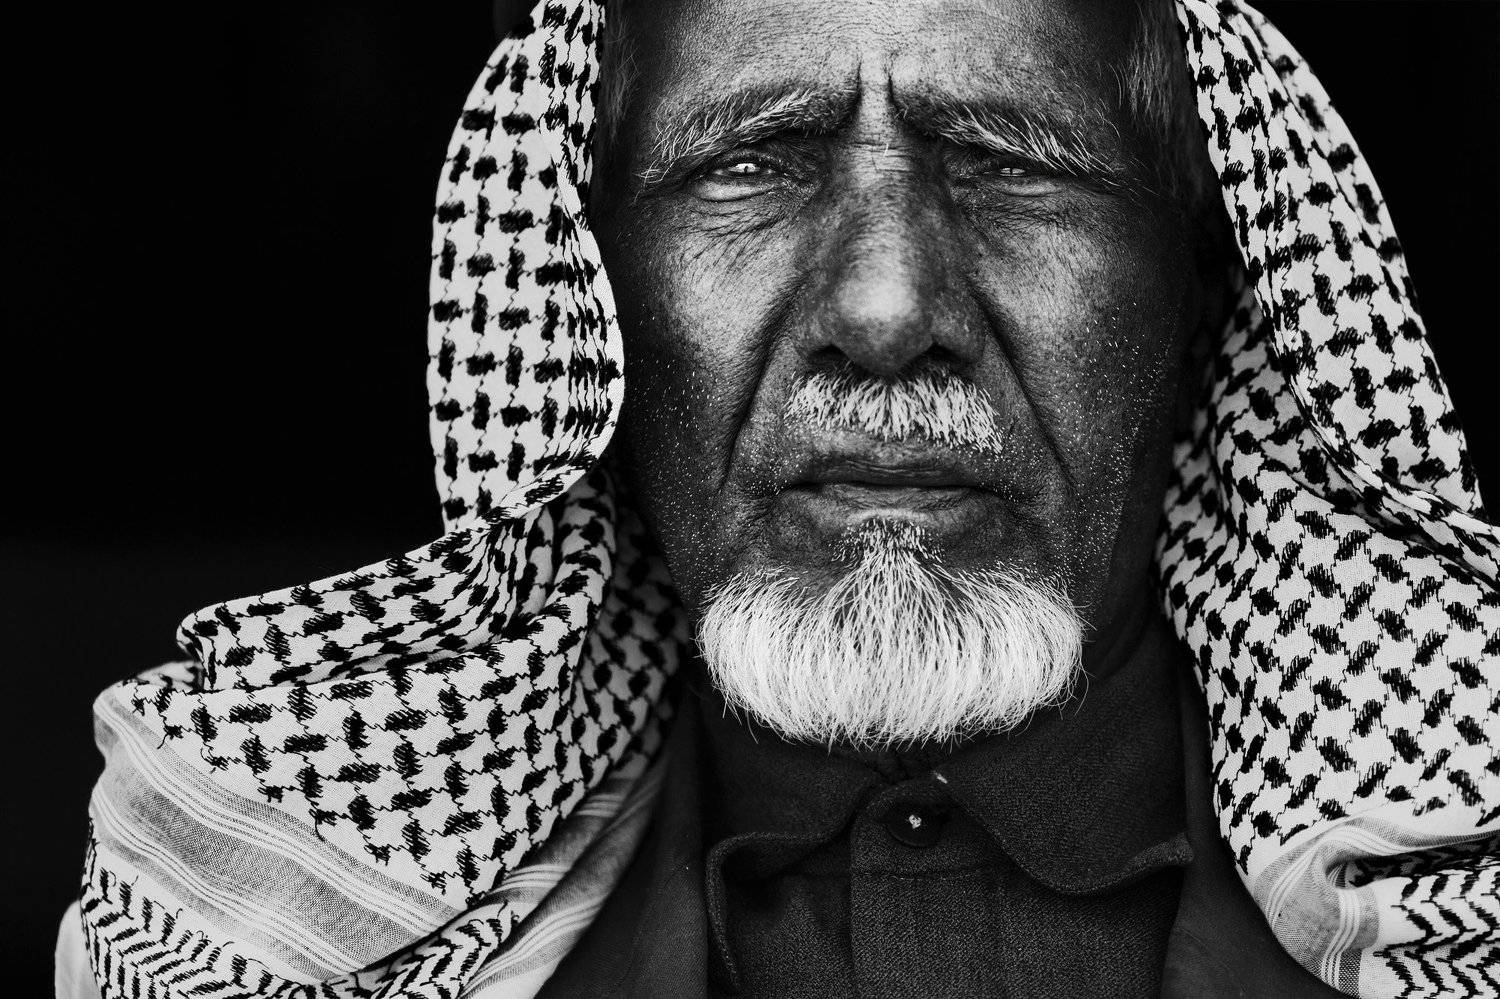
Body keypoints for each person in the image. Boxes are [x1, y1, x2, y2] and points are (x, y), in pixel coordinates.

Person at [60, 0, 1500, 997]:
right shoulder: (252, 932)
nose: (885, 309)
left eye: (1010, 167)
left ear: (1201, 282)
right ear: (586, 288)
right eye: (751, 167)